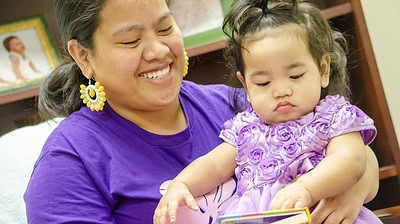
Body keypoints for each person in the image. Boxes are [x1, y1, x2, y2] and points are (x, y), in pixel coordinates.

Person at [24, 0, 379, 223]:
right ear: (84, 56)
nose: (158, 50)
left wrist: (348, 186)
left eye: (165, 28)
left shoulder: (235, 104)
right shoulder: (69, 160)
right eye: (131, 41)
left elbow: (349, 150)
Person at [154, 0, 382, 223]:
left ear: (323, 70)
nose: (281, 91)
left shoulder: (334, 115)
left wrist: (306, 188)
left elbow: (351, 160)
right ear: (246, 86)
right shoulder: (245, 126)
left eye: (295, 76)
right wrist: (182, 184)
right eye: (263, 83)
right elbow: (213, 166)